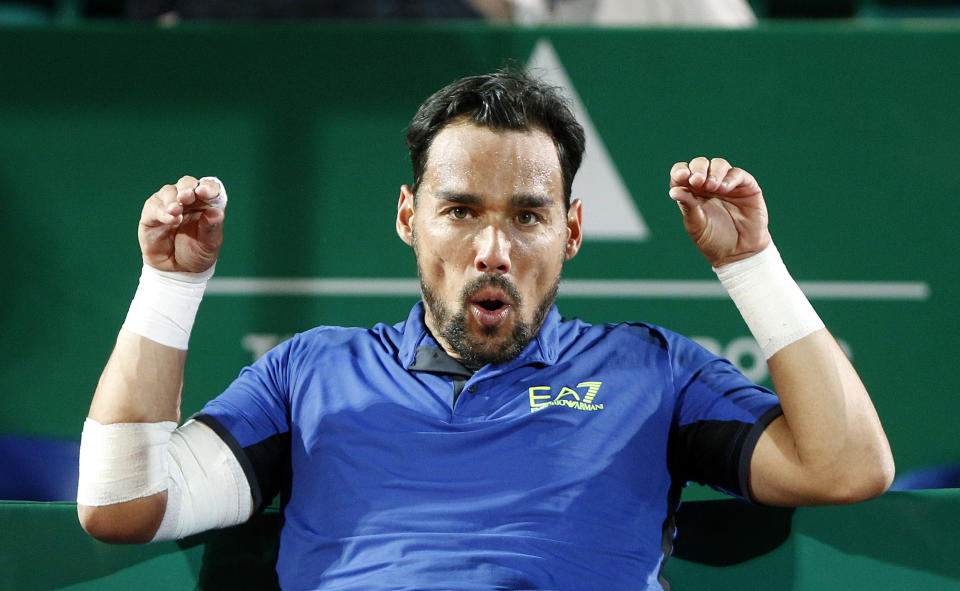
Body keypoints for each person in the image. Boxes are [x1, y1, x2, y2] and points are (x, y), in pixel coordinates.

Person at [77, 70, 894, 590]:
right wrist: (171, 285)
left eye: (528, 215)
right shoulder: (307, 373)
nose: (493, 250)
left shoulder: (656, 372)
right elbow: (120, 502)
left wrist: (751, 265)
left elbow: (848, 464)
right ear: (410, 217)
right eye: (460, 211)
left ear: (571, 230)